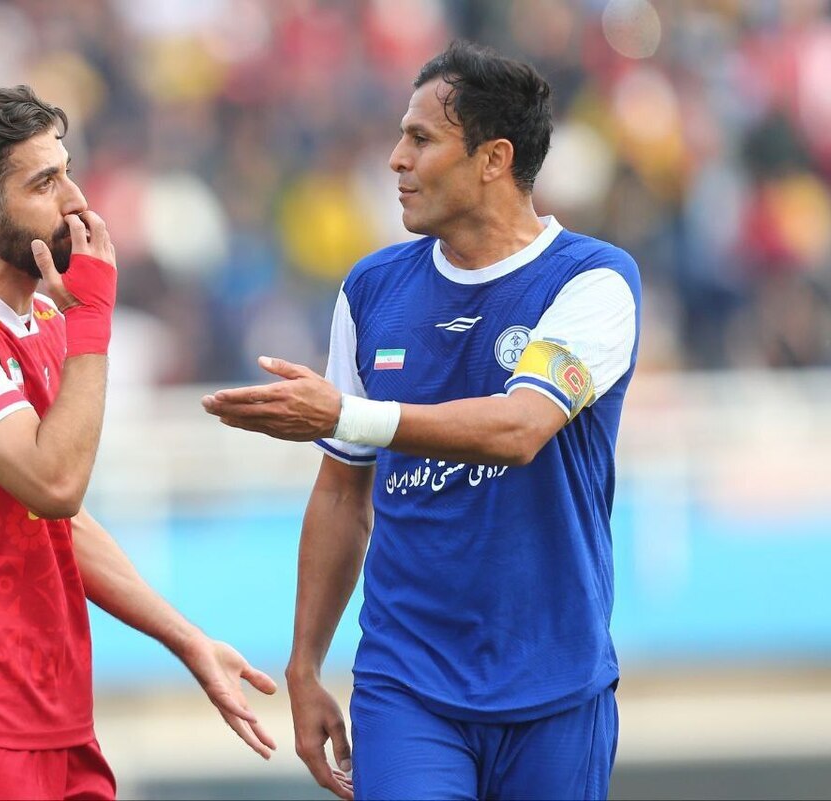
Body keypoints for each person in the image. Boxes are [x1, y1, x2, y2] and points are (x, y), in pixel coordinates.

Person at [203, 41, 640, 801]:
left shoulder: (592, 281)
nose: (396, 159)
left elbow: (519, 428)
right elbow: (342, 492)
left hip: (556, 681)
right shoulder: (372, 290)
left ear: (494, 158)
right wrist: (304, 666)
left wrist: (347, 413)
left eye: (421, 138)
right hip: (408, 685)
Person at [0, 85, 277, 801]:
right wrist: (91, 320)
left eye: (68, 172)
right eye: (44, 183)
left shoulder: (44, 324)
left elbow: (59, 522)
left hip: (51, 708)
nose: (76, 201)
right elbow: (53, 483)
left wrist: (185, 638)